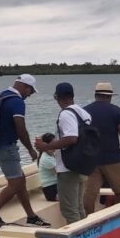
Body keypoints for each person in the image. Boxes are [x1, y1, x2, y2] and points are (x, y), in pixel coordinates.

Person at [0, 74, 49, 227]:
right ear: (25, 86)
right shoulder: (17, 102)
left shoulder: (1, 96)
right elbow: (20, 128)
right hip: (6, 148)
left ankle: (31, 215)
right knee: (16, 184)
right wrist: (30, 149)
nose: (30, 95)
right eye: (30, 91)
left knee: (20, 181)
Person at [35, 82, 91, 225]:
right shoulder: (83, 112)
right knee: (78, 207)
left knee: (69, 210)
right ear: (72, 96)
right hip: (83, 165)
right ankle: (85, 237)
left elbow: (72, 138)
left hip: (68, 168)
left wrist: (45, 146)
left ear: (57, 97)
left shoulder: (66, 114)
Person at [82, 82, 120, 215]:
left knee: (90, 194)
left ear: (96, 95)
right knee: (119, 191)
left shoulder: (83, 111)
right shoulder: (117, 111)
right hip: (113, 159)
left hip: (91, 160)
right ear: (110, 97)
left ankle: (88, 222)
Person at [37, 133, 58, 202]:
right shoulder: (46, 159)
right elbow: (60, 173)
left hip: (56, 185)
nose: (56, 144)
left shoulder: (52, 154)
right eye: (54, 143)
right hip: (51, 190)